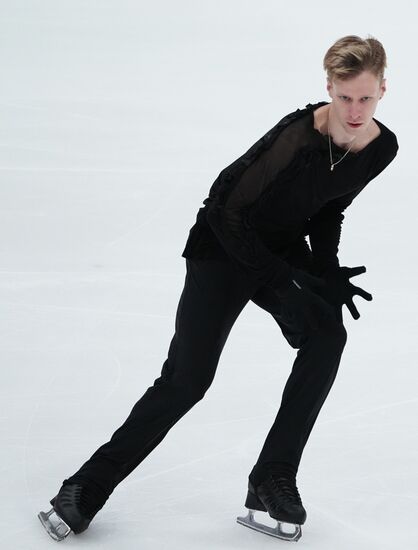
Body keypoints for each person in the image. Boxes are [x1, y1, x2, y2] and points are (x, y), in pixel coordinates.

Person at [38, 34, 399, 542]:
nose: (355, 110)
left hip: (278, 244)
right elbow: (227, 212)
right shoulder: (298, 136)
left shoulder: (381, 147)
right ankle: (83, 487)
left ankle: (270, 479)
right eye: (345, 97)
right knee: (188, 380)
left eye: (366, 97)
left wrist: (326, 269)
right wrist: (284, 284)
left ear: (384, 88)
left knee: (326, 337)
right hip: (223, 245)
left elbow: (330, 208)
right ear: (329, 88)